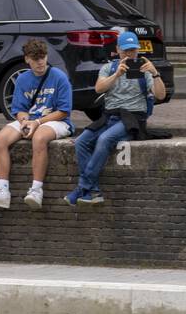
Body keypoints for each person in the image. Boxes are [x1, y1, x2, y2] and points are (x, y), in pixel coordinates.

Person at [66, 31, 166, 206]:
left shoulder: (144, 70)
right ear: (118, 49)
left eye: (133, 51)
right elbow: (98, 89)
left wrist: (155, 73)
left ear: (138, 50)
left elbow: (161, 95)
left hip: (133, 118)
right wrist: (116, 75)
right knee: (81, 141)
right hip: (110, 116)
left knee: (105, 139)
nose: (129, 55)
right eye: (126, 51)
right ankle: (94, 191)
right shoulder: (109, 68)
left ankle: (83, 188)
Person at [0, 39, 74, 210]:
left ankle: (36, 190)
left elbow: (64, 111)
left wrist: (36, 122)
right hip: (31, 119)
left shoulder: (59, 76)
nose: (40, 62)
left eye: (42, 57)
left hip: (56, 121)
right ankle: (2, 191)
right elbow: (19, 109)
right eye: (35, 59)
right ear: (27, 59)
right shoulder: (22, 79)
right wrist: (24, 122)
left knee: (39, 138)